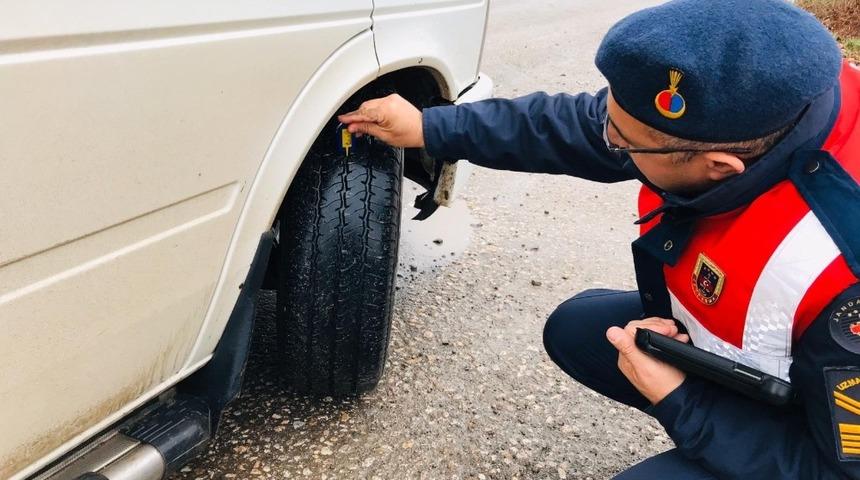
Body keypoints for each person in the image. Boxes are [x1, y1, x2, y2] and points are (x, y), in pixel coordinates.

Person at [338, 0, 860, 478]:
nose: (607, 141)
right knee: (578, 330)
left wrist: (682, 402)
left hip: (830, 448)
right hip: (782, 360)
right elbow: (582, 126)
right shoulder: (779, 97)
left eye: (625, 143)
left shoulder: (841, 270)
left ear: (719, 167)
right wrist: (431, 126)